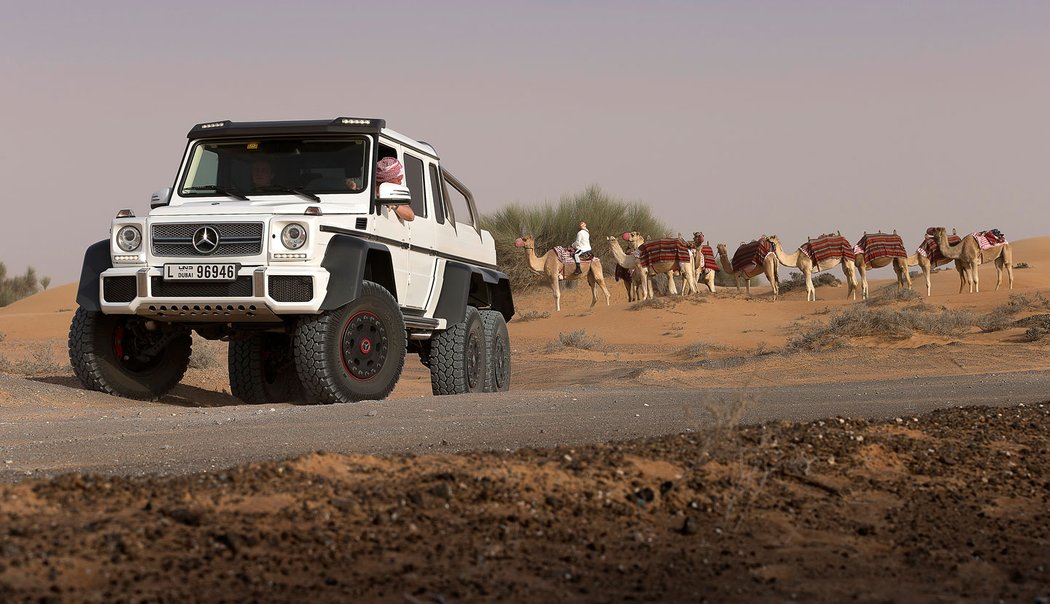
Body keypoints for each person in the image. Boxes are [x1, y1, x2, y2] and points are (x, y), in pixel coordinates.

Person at [375, 157, 415, 222]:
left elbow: (410, 216)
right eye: (398, 179)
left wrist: (395, 205)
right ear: (387, 181)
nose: (400, 182)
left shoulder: (394, 192)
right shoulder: (367, 189)